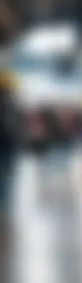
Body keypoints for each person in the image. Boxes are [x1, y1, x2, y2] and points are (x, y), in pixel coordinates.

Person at [0, 71, 22, 217]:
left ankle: (4, 205)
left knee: (5, 176)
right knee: (6, 176)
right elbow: (15, 128)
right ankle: (4, 205)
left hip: (6, 145)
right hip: (9, 145)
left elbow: (10, 128)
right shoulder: (12, 103)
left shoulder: (8, 104)